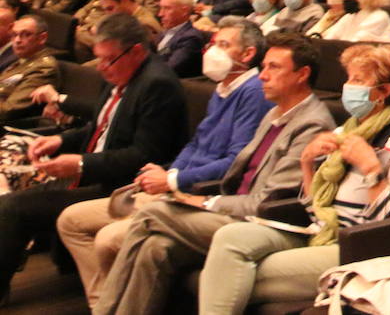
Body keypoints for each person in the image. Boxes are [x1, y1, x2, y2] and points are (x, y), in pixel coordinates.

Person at [87, 32, 334, 313]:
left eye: (273, 67)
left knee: (151, 213)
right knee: (155, 246)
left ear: (302, 74)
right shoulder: (274, 113)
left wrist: (206, 203)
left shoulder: (311, 124)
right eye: (263, 66)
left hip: (261, 223)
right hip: (232, 209)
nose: (263, 75)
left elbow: (266, 201)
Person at [58, 18, 272, 307]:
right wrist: (169, 172)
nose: (212, 51)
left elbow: (236, 162)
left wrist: (173, 180)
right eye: (212, 43)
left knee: (108, 239)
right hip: (177, 186)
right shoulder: (224, 89)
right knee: (71, 221)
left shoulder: (254, 93)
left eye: (223, 45)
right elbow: (196, 144)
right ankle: (106, 304)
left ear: (247, 54)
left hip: (201, 194)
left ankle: (112, 307)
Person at [0, 15, 188, 301]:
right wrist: (60, 140)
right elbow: (101, 126)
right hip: (93, 170)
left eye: (108, 59)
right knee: (12, 194)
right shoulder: (116, 74)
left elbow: (145, 154)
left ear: (136, 50)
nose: (101, 67)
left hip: (120, 186)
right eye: (99, 59)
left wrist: (78, 164)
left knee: (13, 207)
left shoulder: (158, 85)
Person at [0, 15, 59, 122]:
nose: (17, 40)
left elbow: (8, 110)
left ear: (42, 38)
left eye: (26, 34)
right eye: (14, 35)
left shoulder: (44, 67)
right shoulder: (22, 59)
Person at [154, 0, 209, 77]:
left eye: (167, 8)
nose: (160, 14)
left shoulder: (191, 38)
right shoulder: (164, 32)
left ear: (184, 11)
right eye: (160, 8)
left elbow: (169, 69)